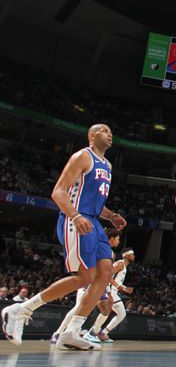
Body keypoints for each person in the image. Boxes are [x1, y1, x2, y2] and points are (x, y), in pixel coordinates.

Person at [1, 124, 126, 350]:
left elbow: (94, 200)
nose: (110, 135)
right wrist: (75, 216)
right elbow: (58, 192)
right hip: (75, 220)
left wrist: (111, 216)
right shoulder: (82, 156)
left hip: (94, 222)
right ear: (92, 135)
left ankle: (71, 332)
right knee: (85, 277)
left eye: (111, 132)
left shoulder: (106, 165)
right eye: (105, 131)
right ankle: (20, 310)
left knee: (105, 273)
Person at [51, 228, 121, 345]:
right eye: (118, 239)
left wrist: (108, 292)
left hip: (98, 284)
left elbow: (105, 275)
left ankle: (75, 333)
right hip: (89, 280)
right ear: (112, 239)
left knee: (98, 310)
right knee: (79, 308)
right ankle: (59, 333)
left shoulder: (110, 253)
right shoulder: (98, 247)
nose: (119, 242)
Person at [90, 246, 135, 342]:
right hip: (109, 290)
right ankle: (94, 332)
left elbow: (116, 281)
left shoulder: (124, 267)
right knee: (111, 312)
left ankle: (100, 333)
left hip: (113, 291)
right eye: (132, 254)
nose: (134, 256)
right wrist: (118, 287)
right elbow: (107, 275)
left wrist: (124, 288)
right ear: (125, 255)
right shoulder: (120, 263)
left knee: (117, 313)